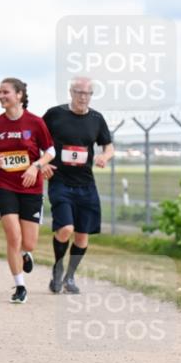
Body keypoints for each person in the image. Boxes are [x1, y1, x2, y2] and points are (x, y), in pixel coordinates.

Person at [42, 76, 114, 295]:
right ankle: (57, 267)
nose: (83, 97)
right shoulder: (55, 114)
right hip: (60, 181)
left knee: (82, 236)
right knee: (65, 229)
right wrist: (41, 163)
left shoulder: (96, 118)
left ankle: (69, 276)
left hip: (86, 184)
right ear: (71, 92)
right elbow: (37, 140)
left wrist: (104, 156)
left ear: (91, 95)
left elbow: (109, 146)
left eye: (87, 93)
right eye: (79, 92)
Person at [0, 77, 55, 303]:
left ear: (19, 95)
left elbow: (51, 151)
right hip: (4, 185)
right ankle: (19, 286)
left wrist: (36, 166)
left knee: (29, 242)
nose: (1, 96)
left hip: (31, 187)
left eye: (5, 92)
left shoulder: (35, 123)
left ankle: (26, 254)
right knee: (13, 237)